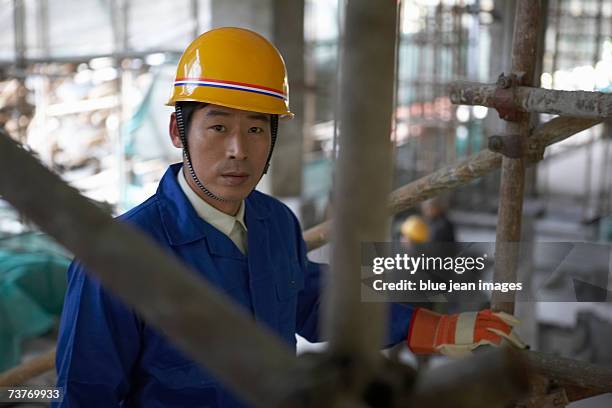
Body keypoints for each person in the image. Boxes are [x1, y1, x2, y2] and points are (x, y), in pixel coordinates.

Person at [54, 27, 525, 407]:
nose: (239, 150)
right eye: (218, 126)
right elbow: (82, 396)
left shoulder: (275, 223)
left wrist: (432, 328)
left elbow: (310, 300)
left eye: (256, 128)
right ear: (179, 132)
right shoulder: (117, 259)